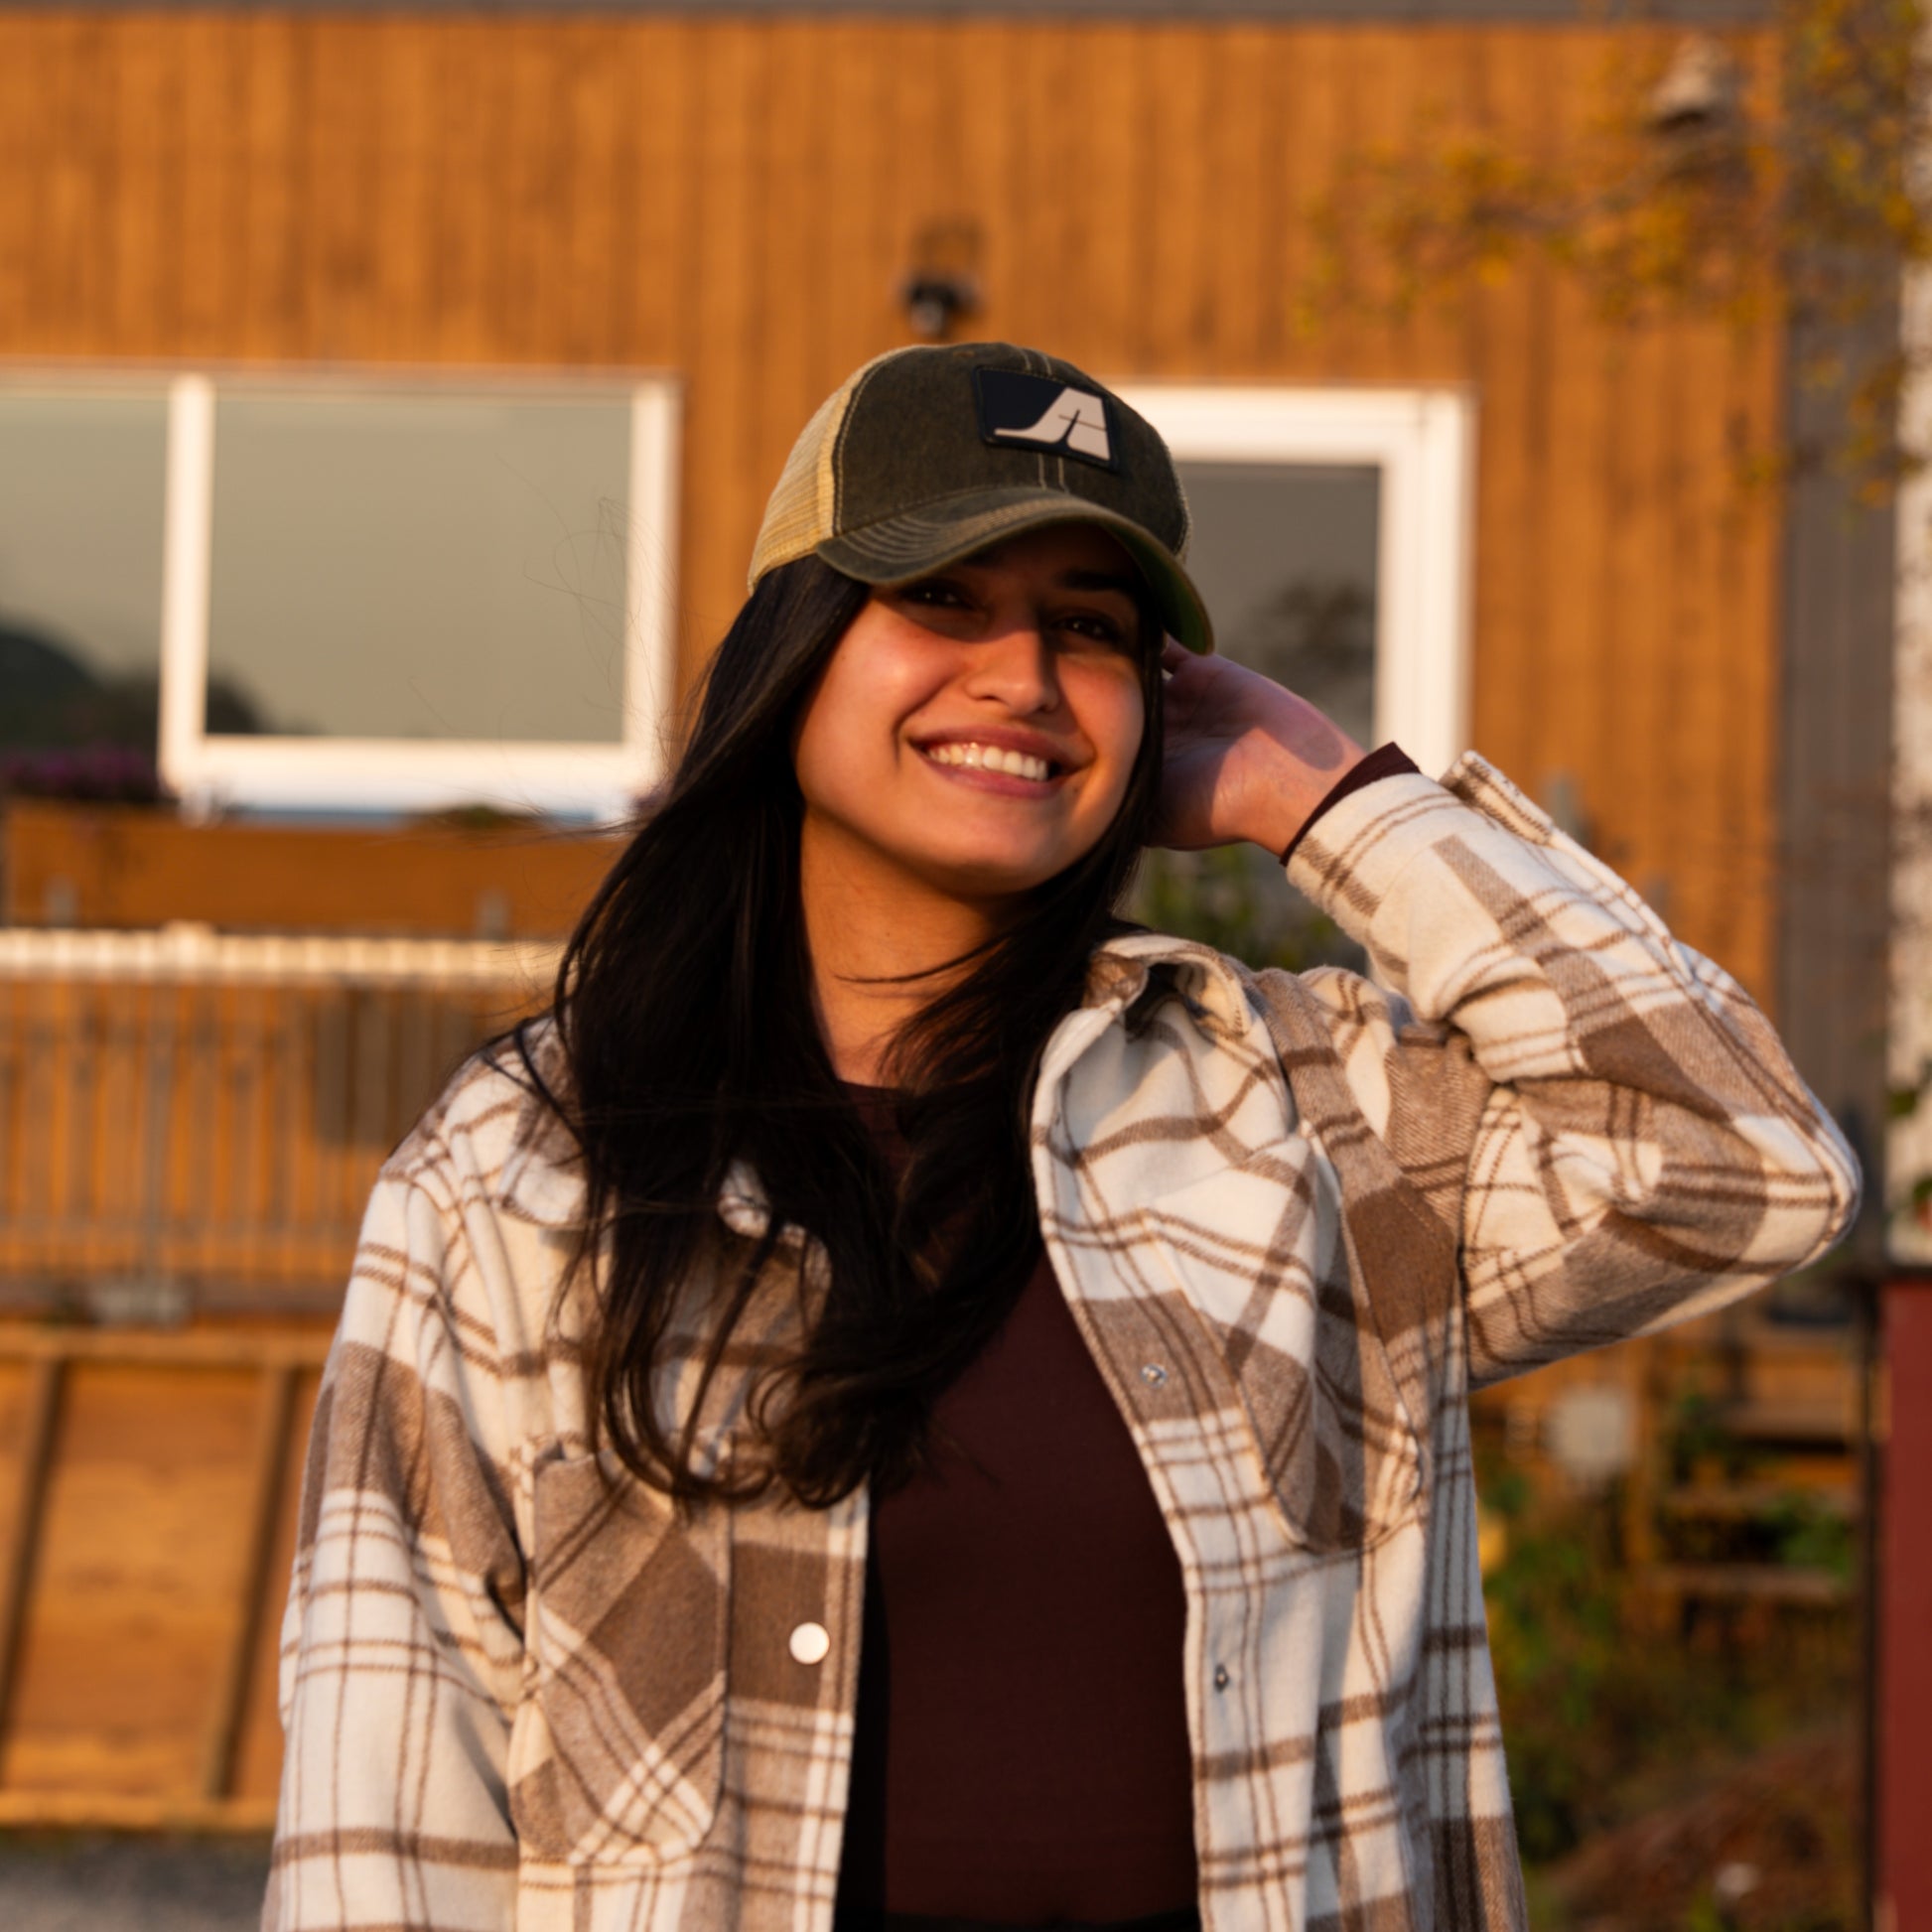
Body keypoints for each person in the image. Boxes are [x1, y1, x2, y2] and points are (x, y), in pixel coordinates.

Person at [264, 344, 1860, 1932]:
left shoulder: (1294, 1115)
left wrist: (1326, 794)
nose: (1021, 675)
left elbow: (1742, 1164)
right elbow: (390, 1793)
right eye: (944, 598)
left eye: (1087, 628)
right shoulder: (531, 1165)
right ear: (794, 650)